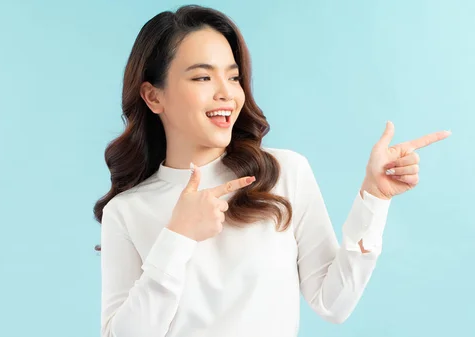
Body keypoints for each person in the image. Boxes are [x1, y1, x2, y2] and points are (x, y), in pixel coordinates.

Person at [94, 4, 451, 337]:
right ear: (153, 96)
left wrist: (374, 198)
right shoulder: (126, 212)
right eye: (202, 78)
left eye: (233, 78)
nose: (226, 94)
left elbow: (333, 303)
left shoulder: (284, 173)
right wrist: (178, 236)